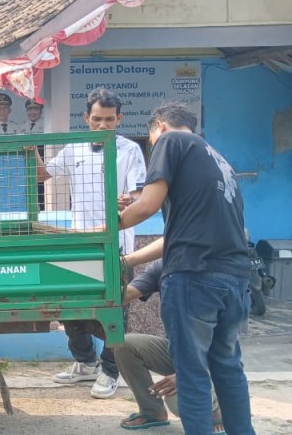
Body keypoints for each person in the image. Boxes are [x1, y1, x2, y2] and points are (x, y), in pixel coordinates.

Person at [119, 102, 255, 435]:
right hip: (235, 279)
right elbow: (179, 229)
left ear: (159, 126)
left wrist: (110, 225)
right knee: (228, 368)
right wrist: (130, 253)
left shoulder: (170, 141)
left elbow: (148, 206)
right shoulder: (218, 160)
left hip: (194, 276)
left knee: (191, 372)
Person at [33, 88, 147, 399]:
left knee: (115, 310)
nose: (102, 125)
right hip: (81, 244)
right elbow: (43, 175)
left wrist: (128, 200)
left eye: (109, 119)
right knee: (70, 307)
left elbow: (139, 195)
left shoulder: (129, 151)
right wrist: (31, 149)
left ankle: (111, 371)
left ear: (119, 119)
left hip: (117, 246)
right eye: (97, 119)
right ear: (86, 118)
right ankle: (85, 363)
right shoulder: (74, 148)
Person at [115, 257, 226, 434]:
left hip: (210, 355)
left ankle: (215, 411)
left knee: (178, 401)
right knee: (125, 345)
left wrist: (185, 373)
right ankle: (152, 411)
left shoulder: (214, 268)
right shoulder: (163, 266)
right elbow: (126, 294)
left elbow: (223, 342)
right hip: (179, 350)